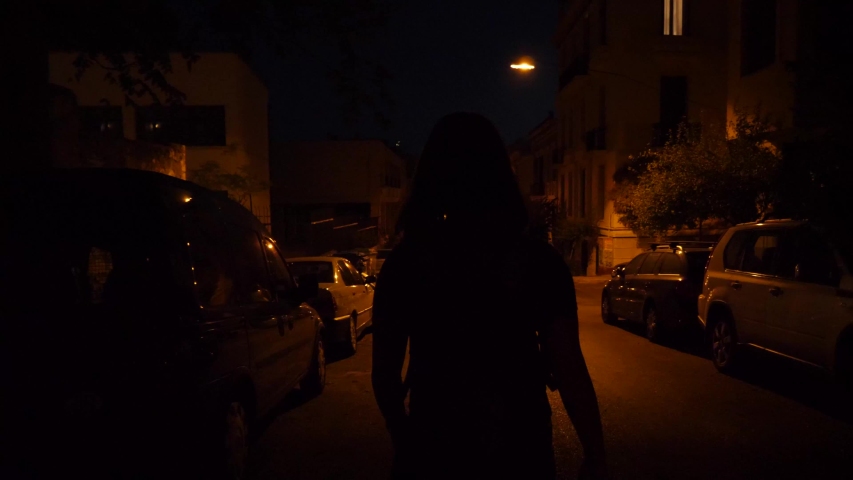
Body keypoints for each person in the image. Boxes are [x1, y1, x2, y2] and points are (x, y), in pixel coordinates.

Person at [371, 112, 608, 479]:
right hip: (519, 447)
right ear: (500, 174)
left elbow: (385, 374)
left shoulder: (406, 264)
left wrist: (404, 438)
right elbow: (569, 366)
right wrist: (595, 454)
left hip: (436, 444)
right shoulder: (538, 261)